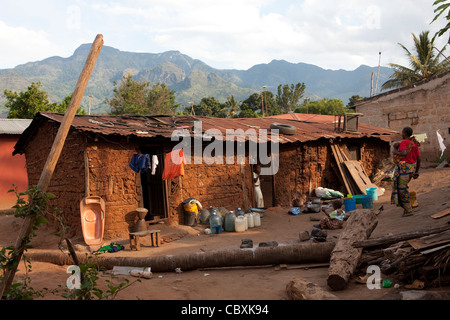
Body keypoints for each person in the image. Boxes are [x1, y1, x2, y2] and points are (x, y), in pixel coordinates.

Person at [391, 127, 421, 217]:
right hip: (411, 169)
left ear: (405, 134)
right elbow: (419, 159)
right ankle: (406, 209)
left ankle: (408, 210)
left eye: (402, 133)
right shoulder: (414, 144)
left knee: (401, 190)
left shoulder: (404, 142)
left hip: (404, 169)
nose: (401, 134)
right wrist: (416, 171)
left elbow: (403, 153)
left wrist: (395, 151)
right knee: (402, 189)